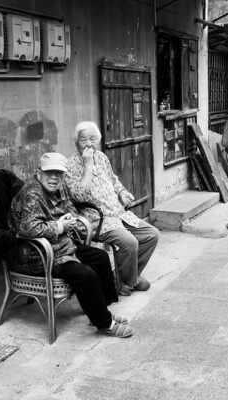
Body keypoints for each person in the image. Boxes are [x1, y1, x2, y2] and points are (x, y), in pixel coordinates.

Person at [9, 152, 134, 338]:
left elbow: (70, 207)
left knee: (99, 258)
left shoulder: (59, 188)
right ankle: (104, 323)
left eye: (58, 174)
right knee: (86, 274)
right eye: (49, 172)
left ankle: (100, 312)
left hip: (60, 244)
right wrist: (59, 225)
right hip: (37, 254)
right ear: (38, 173)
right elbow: (29, 229)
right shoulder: (32, 194)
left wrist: (71, 218)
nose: (54, 178)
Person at [66, 121, 159, 296]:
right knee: (130, 243)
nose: (88, 143)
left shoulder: (101, 157)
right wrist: (87, 167)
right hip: (97, 220)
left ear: (98, 141)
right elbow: (78, 196)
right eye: (83, 139)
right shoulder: (70, 166)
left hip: (118, 214)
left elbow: (114, 180)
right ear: (76, 142)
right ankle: (126, 282)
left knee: (152, 235)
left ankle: (128, 277)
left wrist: (122, 192)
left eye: (92, 139)